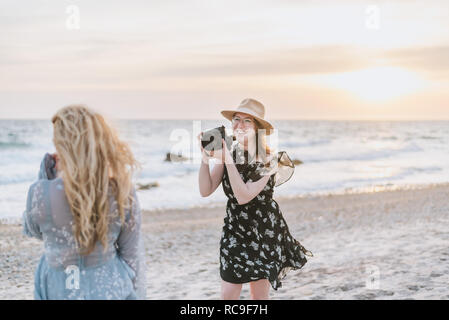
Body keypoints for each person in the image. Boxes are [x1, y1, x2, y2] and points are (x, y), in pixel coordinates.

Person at [22, 105, 146, 299]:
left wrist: (45, 178)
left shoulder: (40, 192)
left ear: (64, 146)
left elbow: (33, 231)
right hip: (109, 288)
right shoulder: (121, 189)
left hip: (59, 288)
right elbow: (132, 255)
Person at [198, 98, 313, 300]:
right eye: (236, 119)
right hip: (234, 229)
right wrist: (205, 159)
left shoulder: (270, 160)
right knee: (228, 295)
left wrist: (227, 160)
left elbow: (243, 196)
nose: (239, 125)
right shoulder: (230, 153)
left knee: (258, 296)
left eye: (247, 121)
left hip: (262, 232)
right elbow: (205, 190)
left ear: (257, 128)